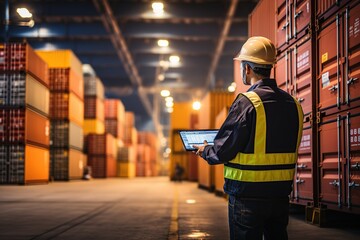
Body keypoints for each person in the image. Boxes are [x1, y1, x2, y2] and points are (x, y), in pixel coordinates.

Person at [193, 36, 303, 240]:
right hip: (280, 195)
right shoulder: (293, 104)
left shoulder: (247, 102)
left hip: (247, 196)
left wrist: (206, 150)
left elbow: (224, 149)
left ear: (247, 69)